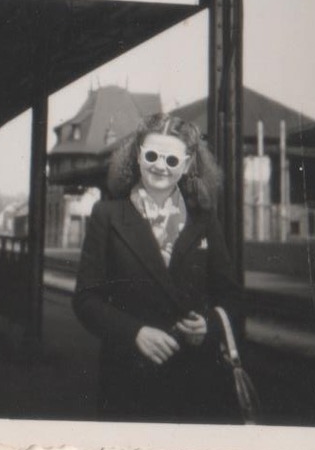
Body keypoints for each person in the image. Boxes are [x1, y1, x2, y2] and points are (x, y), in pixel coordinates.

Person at [73, 113, 242, 422]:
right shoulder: (107, 215)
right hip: (129, 381)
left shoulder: (205, 219)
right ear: (138, 157)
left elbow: (231, 296)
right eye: (151, 155)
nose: (160, 166)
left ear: (188, 164)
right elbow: (85, 299)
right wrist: (133, 332)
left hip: (196, 384)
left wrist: (210, 326)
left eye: (172, 159)